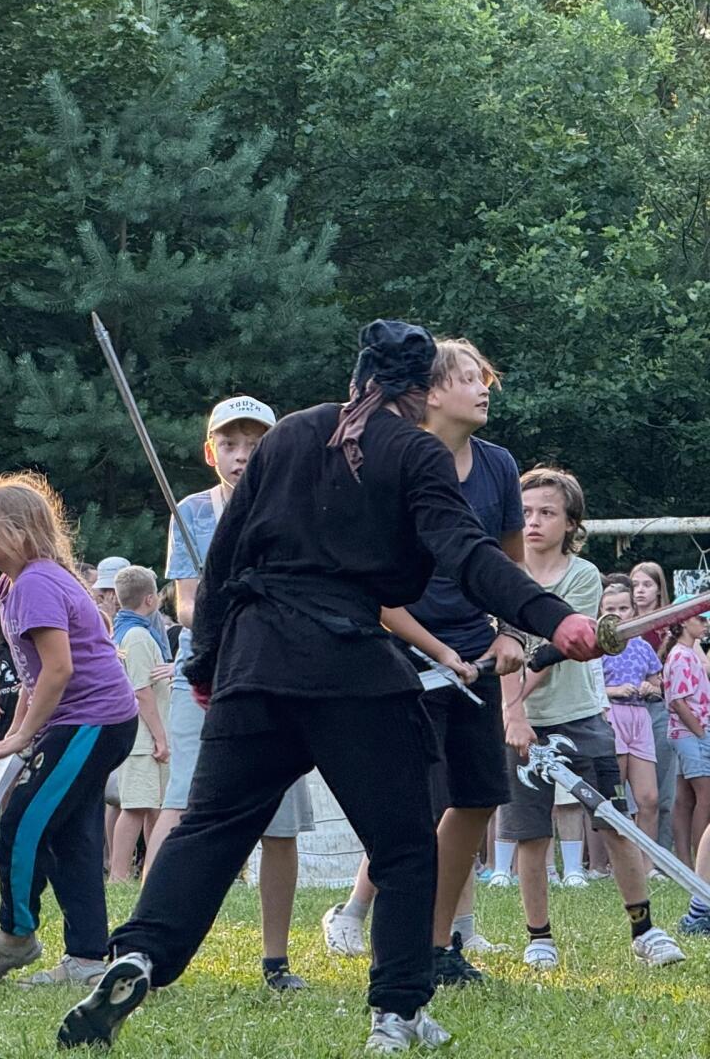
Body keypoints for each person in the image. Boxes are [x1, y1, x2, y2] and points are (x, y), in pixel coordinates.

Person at [57, 321, 603, 1055]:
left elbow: (225, 561)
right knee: (404, 848)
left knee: (209, 828)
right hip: (350, 670)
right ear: (422, 391)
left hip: (255, 664)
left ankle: (141, 956)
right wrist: (555, 617)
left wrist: (207, 667)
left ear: (357, 378)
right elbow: (468, 555)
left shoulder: (290, 433)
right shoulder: (416, 451)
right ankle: (397, 1012)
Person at [324, 337, 529, 977]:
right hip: (399, 657)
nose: (483, 388)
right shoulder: (387, 461)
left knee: (477, 796)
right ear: (431, 391)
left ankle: (438, 949)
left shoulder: (498, 466)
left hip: (474, 654)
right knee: (414, 805)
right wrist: (440, 653)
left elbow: (510, 566)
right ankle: (386, 936)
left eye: (483, 378)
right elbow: (377, 594)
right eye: (468, 378)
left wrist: (510, 634)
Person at [147, 395, 316, 993]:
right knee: (180, 806)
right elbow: (186, 604)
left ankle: (276, 960)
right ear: (210, 451)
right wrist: (235, 609)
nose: (242, 455)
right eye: (230, 443)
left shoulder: (298, 505)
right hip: (204, 674)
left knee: (280, 821)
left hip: (277, 675)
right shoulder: (191, 513)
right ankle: (143, 950)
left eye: (254, 443)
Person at [0, 473, 139, 987]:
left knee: (22, 826)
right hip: (85, 721)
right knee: (72, 837)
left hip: (94, 721)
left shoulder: (36, 583)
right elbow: (33, 675)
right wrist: (20, 734)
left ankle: (14, 937)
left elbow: (59, 671)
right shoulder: (13, 584)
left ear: (13, 532)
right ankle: (87, 958)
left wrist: (21, 736)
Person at [497, 467, 684, 972]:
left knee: (615, 822)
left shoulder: (581, 575)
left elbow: (554, 649)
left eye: (547, 512)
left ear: (571, 522)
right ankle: (539, 937)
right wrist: (514, 714)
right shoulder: (500, 572)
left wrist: (512, 705)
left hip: (579, 716)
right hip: (520, 723)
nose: (534, 522)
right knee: (531, 833)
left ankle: (644, 929)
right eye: (526, 512)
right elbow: (503, 647)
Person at [106, 566, 171, 887]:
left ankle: (151, 872)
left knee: (153, 807)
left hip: (142, 736)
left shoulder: (123, 631)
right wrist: (161, 737)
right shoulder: (139, 636)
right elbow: (142, 691)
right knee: (134, 807)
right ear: (149, 599)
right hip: (144, 738)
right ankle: (118, 875)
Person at [599, 579, 662, 851]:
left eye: (623, 608)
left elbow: (658, 684)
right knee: (615, 797)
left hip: (640, 717)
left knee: (649, 798)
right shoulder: (595, 647)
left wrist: (650, 687)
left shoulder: (642, 646)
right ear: (601, 612)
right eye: (610, 609)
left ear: (633, 611)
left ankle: (648, 861)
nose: (618, 614)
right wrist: (614, 690)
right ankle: (614, 861)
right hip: (611, 716)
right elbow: (588, 688)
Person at [631, 560, 679, 851]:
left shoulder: (671, 626)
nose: (640, 591)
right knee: (629, 791)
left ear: (659, 589)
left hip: (659, 706)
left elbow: (687, 666)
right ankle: (628, 852)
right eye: (635, 584)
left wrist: (659, 684)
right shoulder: (622, 624)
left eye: (647, 585)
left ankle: (661, 851)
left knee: (663, 787)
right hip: (626, 708)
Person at [665, 605, 710, 896]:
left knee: (684, 799)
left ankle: (684, 863)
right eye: (700, 619)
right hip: (690, 734)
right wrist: (700, 733)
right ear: (683, 623)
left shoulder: (688, 653)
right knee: (706, 797)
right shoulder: (681, 655)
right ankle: (702, 870)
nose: (705, 624)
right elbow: (678, 701)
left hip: (687, 733)